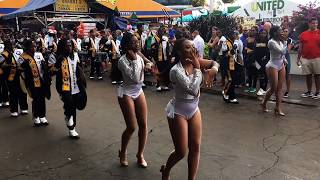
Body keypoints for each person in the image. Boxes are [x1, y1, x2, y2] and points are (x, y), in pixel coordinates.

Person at [161, 38, 219, 180]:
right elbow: (193, 89)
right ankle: (166, 170)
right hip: (178, 111)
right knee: (181, 152)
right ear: (180, 52)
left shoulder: (195, 61)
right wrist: (198, 67)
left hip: (194, 109)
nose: (193, 49)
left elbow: (213, 62)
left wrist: (214, 69)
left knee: (195, 147)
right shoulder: (176, 70)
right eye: (188, 47)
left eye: (193, 46)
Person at [117, 32, 150, 168]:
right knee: (131, 127)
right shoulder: (122, 61)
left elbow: (146, 70)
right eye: (134, 42)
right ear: (126, 45)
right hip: (126, 92)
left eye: (137, 41)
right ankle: (123, 152)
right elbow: (135, 77)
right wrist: (137, 59)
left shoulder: (139, 57)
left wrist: (146, 62)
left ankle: (140, 154)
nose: (137, 43)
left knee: (143, 125)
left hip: (138, 90)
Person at [55, 39, 87, 139]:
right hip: (65, 87)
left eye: (70, 45)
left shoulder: (76, 55)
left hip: (76, 87)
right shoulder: (60, 58)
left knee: (74, 107)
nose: (69, 48)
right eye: (67, 46)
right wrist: (57, 65)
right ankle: (71, 127)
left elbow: (79, 69)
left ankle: (71, 125)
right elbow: (52, 71)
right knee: (69, 105)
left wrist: (82, 80)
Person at [19, 39, 51, 125]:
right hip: (32, 81)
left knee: (42, 98)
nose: (34, 47)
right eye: (32, 46)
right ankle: (36, 116)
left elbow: (44, 65)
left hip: (42, 80)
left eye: (34, 46)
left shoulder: (39, 54)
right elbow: (20, 69)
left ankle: (42, 116)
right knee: (36, 98)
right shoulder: (23, 57)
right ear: (27, 48)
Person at [261, 26, 287, 116]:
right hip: (272, 66)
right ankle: (264, 102)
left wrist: (284, 60)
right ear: (275, 33)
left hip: (281, 64)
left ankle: (278, 107)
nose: (282, 32)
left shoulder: (280, 41)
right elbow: (281, 51)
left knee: (279, 88)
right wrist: (287, 43)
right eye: (280, 30)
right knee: (273, 88)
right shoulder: (271, 42)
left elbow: (282, 55)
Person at [1, 40, 28, 117]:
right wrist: (11, 66)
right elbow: (2, 65)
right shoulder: (3, 54)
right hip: (10, 77)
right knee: (13, 94)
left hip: (18, 75)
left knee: (22, 91)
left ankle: (24, 108)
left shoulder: (12, 53)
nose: (11, 46)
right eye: (10, 45)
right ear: (7, 46)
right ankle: (14, 110)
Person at [297, 17, 320, 99]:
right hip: (305, 58)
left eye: (316, 23)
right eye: (313, 23)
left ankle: (317, 92)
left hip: (317, 57)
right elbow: (300, 47)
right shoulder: (303, 34)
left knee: (317, 75)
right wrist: (298, 58)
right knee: (308, 75)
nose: (315, 24)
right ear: (309, 24)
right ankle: (309, 92)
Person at [222, 31, 241, 104]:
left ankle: (231, 96)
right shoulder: (225, 42)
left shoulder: (234, 42)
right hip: (227, 65)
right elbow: (225, 55)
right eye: (234, 34)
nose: (235, 35)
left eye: (236, 34)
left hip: (234, 63)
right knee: (231, 80)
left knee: (234, 80)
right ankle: (226, 93)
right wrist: (232, 51)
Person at [254, 29, 270, 96]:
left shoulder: (268, 41)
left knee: (264, 74)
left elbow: (269, 52)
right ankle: (261, 88)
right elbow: (254, 50)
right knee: (260, 74)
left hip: (265, 61)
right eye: (261, 33)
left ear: (266, 34)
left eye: (264, 33)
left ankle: (264, 89)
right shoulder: (256, 41)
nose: (262, 34)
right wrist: (254, 60)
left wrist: (265, 57)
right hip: (257, 61)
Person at [244, 27, 258, 93]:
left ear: (256, 31)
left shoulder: (258, 39)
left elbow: (257, 50)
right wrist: (248, 50)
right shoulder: (247, 39)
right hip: (248, 58)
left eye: (253, 30)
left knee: (255, 73)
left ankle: (254, 87)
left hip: (256, 58)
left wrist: (249, 50)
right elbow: (245, 48)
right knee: (249, 73)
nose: (252, 32)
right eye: (251, 30)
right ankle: (249, 86)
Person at [283, 28, 293, 98]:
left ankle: (287, 91)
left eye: (286, 31)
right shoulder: (279, 39)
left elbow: (288, 50)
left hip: (286, 58)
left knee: (287, 74)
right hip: (279, 58)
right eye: (284, 31)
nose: (285, 32)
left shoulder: (290, 40)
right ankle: (278, 89)